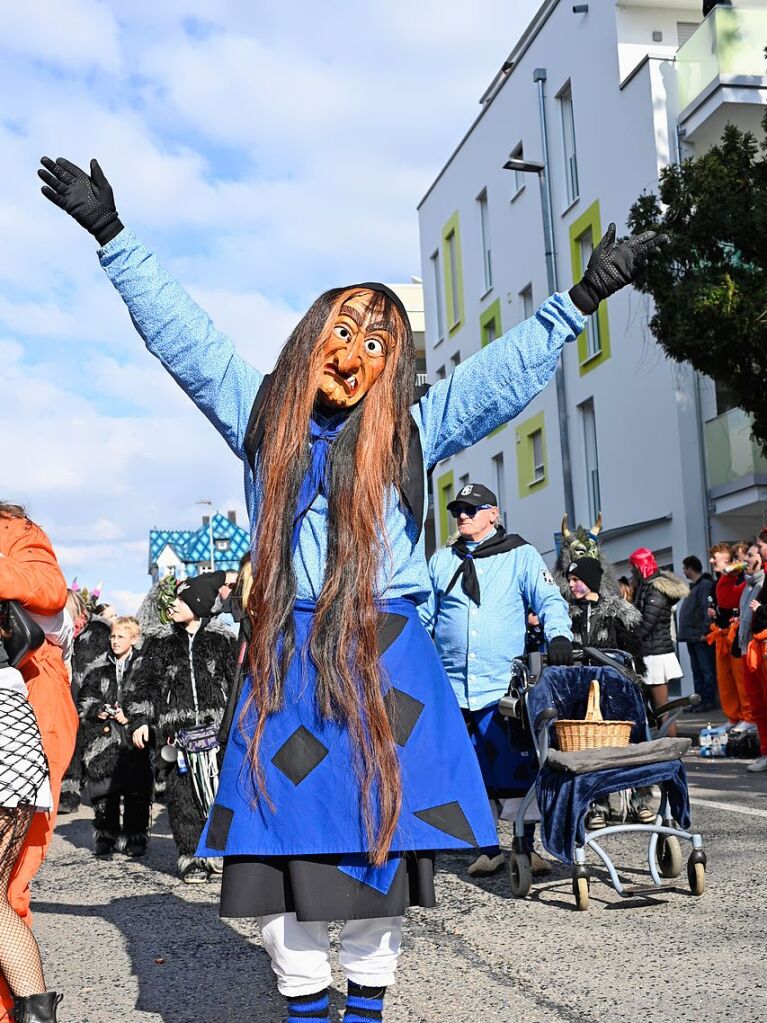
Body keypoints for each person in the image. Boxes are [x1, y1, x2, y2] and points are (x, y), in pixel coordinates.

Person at [38, 152, 664, 1022]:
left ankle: (364, 1012)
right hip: (292, 655)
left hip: (386, 658)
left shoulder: (410, 430)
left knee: (377, 860)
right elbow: (183, 335)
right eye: (343, 330)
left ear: (391, 364)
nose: (355, 353)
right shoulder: (262, 416)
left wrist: (580, 298)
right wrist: (112, 235)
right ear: (308, 336)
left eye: (378, 342)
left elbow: (496, 378)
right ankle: (304, 1006)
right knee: (289, 856)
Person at [420, 483, 573, 877]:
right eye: (459, 511)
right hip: (451, 691)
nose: (463, 516)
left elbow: (549, 599)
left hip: (502, 688)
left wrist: (559, 635)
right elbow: (424, 617)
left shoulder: (520, 554)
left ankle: (525, 845)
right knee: (468, 773)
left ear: (494, 513)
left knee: (516, 770)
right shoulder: (440, 561)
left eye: (473, 509)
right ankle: (488, 848)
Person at [0, 503, 77, 1023]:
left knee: (9, 889)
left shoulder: (14, 531)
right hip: (14, 729)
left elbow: (51, 591)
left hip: (14, 730)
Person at [127, 573, 236, 882]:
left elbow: (238, 685)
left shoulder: (223, 638)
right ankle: (190, 856)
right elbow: (143, 684)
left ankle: (219, 854)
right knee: (183, 798)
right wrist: (140, 721)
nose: (172, 605)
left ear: (198, 604)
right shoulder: (159, 641)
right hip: (179, 736)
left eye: (180, 600)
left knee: (220, 796)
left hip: (218, 734)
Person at [565, 557, 648, 827]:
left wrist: (636, 683)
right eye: (570, 579)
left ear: (590, 580)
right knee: (591, 749)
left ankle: (639, 801)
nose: (571, 584)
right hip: (581, 691)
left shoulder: (616, 611)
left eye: (576, 580)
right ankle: (597, 806)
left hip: (615, 688)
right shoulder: (566, 613)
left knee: (628, 742)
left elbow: (633, 651)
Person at [78, 616, 153, 858]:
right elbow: (84, 699)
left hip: (133, 735)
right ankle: (106, 835)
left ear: (134, 638)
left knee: (136, 789)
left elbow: (153, 699)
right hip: (103, 736)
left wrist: (131, 717)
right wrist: (97, 710)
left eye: (120, 636)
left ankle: (135, 836)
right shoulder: (98, 668)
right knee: (104, 788)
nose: (114, 641)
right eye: (112, 636)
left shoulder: (144, 667)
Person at [629, 548, 688, 735]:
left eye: (633, 568)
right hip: (651, 652)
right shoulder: (649, 587)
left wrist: (628, 638)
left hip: (655, 654)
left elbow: (646, 624)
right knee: (658, 705)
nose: (632, 572)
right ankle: (667, 744)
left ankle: (672, 746)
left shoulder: (655, 589)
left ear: (640, 567)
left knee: (662, 705)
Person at [707, 542, 753, 729]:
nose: (711, 561)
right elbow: (726, 601)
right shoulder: (720, 581)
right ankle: (735, 717)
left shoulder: (750, 579)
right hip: (725, 634)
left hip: (743, 635)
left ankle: (749, 717)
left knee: (743, 682)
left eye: (747, 557)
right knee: (727, 681)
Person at [734, 544, 767, 773]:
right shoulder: (749, 584)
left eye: (751, 554)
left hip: (762, 645)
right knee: (758, 705)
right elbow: (726, 598)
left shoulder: (763, 581)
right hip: (749, 648)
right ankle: (765, 753)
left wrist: (761, 610)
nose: (747, 559)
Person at [678, 555, 717, 712]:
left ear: (690, 568)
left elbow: (706, 608)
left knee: (706, 669)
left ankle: (708, 700)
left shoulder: (705, 585)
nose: (684, 571)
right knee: (697, 670)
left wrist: (705, 630)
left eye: (684, 568)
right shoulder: (695, 586)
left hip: (700, 636)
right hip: (692, 636)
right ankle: (698, 701)